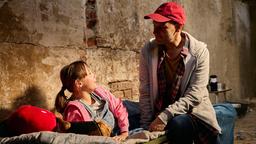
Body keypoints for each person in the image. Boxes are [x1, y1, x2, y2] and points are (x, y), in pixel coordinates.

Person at [139, 2, 221, 143]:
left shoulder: (199, 52)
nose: (154, 32)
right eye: (154, 26)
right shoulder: (148, 50)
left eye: (162, 27)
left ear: (178, 27)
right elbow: (145, 90)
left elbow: (195, 94)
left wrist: (165, 116)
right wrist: (146, 126)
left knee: (179, 123)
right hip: (161, 109)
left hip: (192, 111)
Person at [54, 60, 129, 142]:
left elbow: (118, 106)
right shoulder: (75, 109)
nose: (94, 75)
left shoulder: (99, 92)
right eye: (89, 74)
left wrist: (124, 132)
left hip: (120, 125)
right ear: (79, 83)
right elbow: (82, 138)